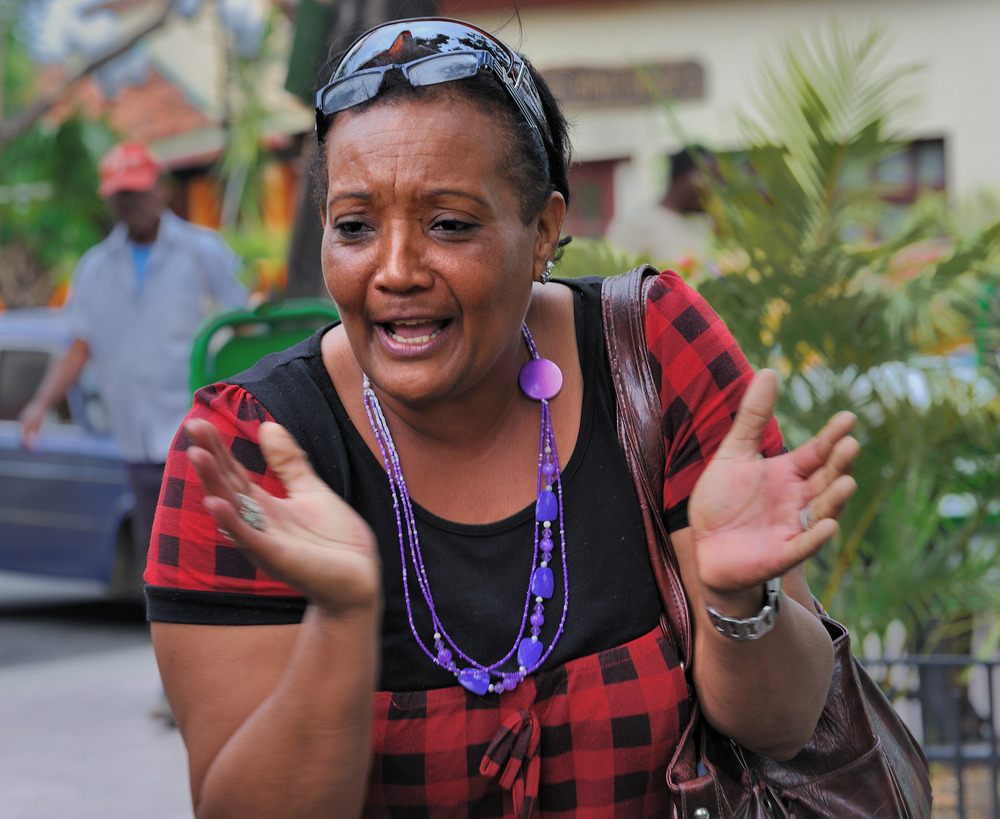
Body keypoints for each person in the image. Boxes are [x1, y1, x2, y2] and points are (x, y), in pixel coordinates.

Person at [144, 18, 859, 817]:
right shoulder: (248, 448)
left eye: (449, 223)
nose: (395, 270)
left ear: (545, 229)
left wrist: (737, 602)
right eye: (354, 225)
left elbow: (786, 724)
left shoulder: (653, 354)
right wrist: (340, 623)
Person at [20, 141, 249, 575]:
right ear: (110, 200)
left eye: (139, 191)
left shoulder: (203, 251)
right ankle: (168, 638)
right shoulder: (94, 267)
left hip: (201, 431)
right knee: (159, 556)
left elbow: (242, 326)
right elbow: (79, 346)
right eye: (122, 195)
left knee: (211, 547)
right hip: (136, 438)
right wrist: (40, 405)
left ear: (161, 190)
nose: (132, 203)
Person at [605, 145, 717, 273]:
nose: (713, 189)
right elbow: (617, 279)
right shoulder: (635, 225)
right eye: (708, 179)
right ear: (681, 177)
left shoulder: (704, 225)